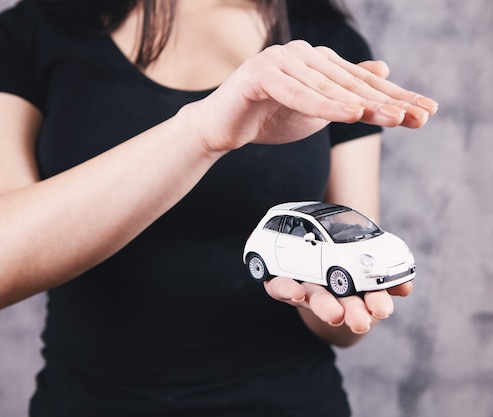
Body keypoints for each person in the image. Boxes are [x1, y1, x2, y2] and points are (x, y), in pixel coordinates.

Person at [0, 0, 438, 415]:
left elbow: (344, 326)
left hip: (290, 404)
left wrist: (340, 292)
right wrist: (203, 134)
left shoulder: (324, 48)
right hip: (86, 404)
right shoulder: (30, 33)